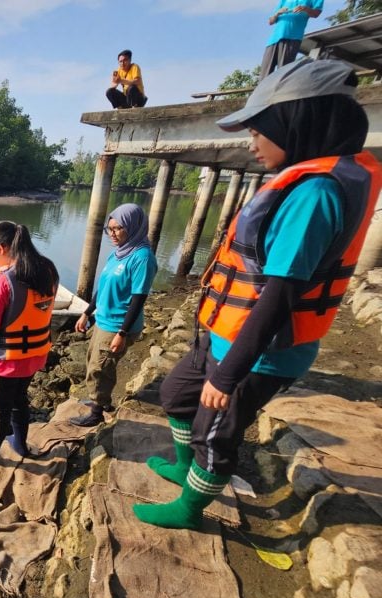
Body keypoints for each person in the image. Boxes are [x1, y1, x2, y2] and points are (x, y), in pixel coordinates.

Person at [135, 59, 382, 530]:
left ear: (295, 123)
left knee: (216, 433)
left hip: (261, 352)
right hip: (225, 335)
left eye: (257, 130)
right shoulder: (301, 182)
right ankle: (186, 468)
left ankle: (190, 508)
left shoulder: (316, 195)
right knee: (175, 393)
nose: (251, 142)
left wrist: (228, 377)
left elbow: (278, 297)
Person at [0, 221, 59, 464]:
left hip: (5, 360)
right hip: (35, 355)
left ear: (2, 247)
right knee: (19, 401)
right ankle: (20, 445)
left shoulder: (3, 281)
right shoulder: (48, 269)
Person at [69, 204, 158, 427]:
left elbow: (138, 298)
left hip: (118, 324)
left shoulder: (142, 258)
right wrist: (87, 313)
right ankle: (101, 400)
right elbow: (103, 287)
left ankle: (97, 411)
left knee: (100, 368)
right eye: (110, 229)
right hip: (103, 320)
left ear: (133, 227)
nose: (113, 234)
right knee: (94, 361)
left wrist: (122, 332)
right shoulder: (118, 254)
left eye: (118, 228)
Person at [260, 1, 323, 81]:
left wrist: (305, 8)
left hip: (292, 38)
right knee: (264, 76)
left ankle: (280, 93)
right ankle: (261, 93)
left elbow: (316, 13)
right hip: (273, 40)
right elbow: (270, 21)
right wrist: (277, 13)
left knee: (283, 73)